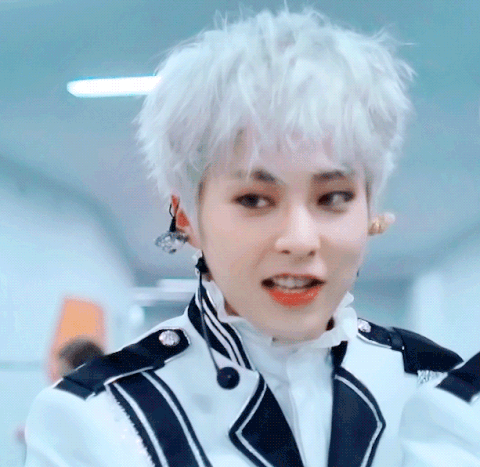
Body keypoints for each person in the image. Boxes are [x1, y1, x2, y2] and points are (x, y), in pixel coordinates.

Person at [24, 6, 480, 467]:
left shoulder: (437, 387)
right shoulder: (98, 419)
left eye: (333, 197)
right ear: (186, 218)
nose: (300, 240)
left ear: (368, 210)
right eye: (255, 200)